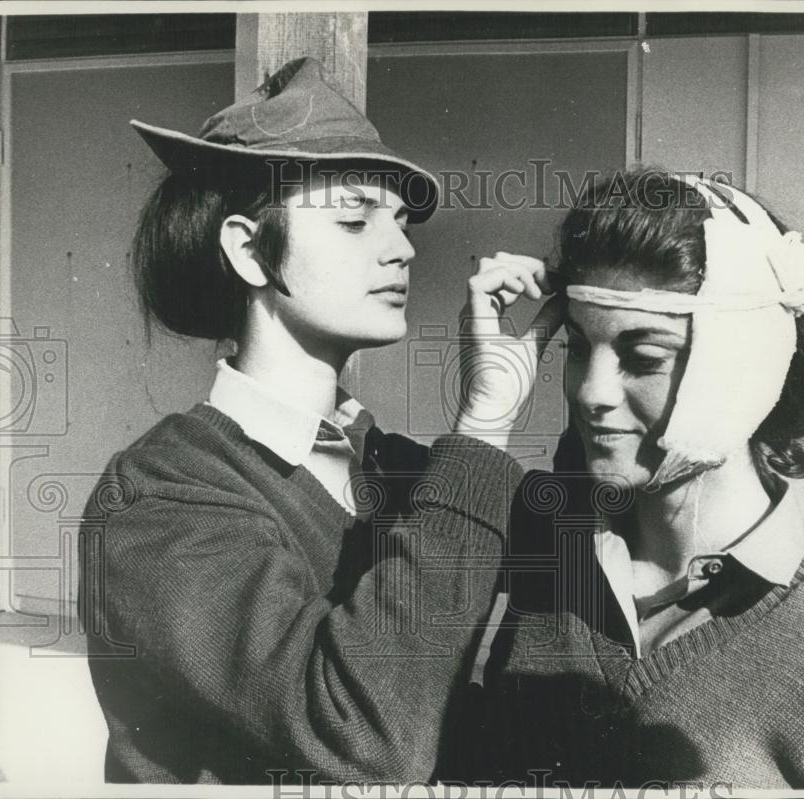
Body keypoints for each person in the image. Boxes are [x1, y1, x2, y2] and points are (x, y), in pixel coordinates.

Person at [78, 57, 561, 784]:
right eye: (353, 218)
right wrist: (483, 424)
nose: (401, 247)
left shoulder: (399, 471)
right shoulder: (161, 498)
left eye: (398, 221)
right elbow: (361, 737)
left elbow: (591, 565)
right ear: (247, 249)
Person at [464, 170, 804, 789]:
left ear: (747, 369)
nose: (590, 392)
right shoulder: (539, 549)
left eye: (644, 358)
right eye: (577, 348)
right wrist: (482, 422)